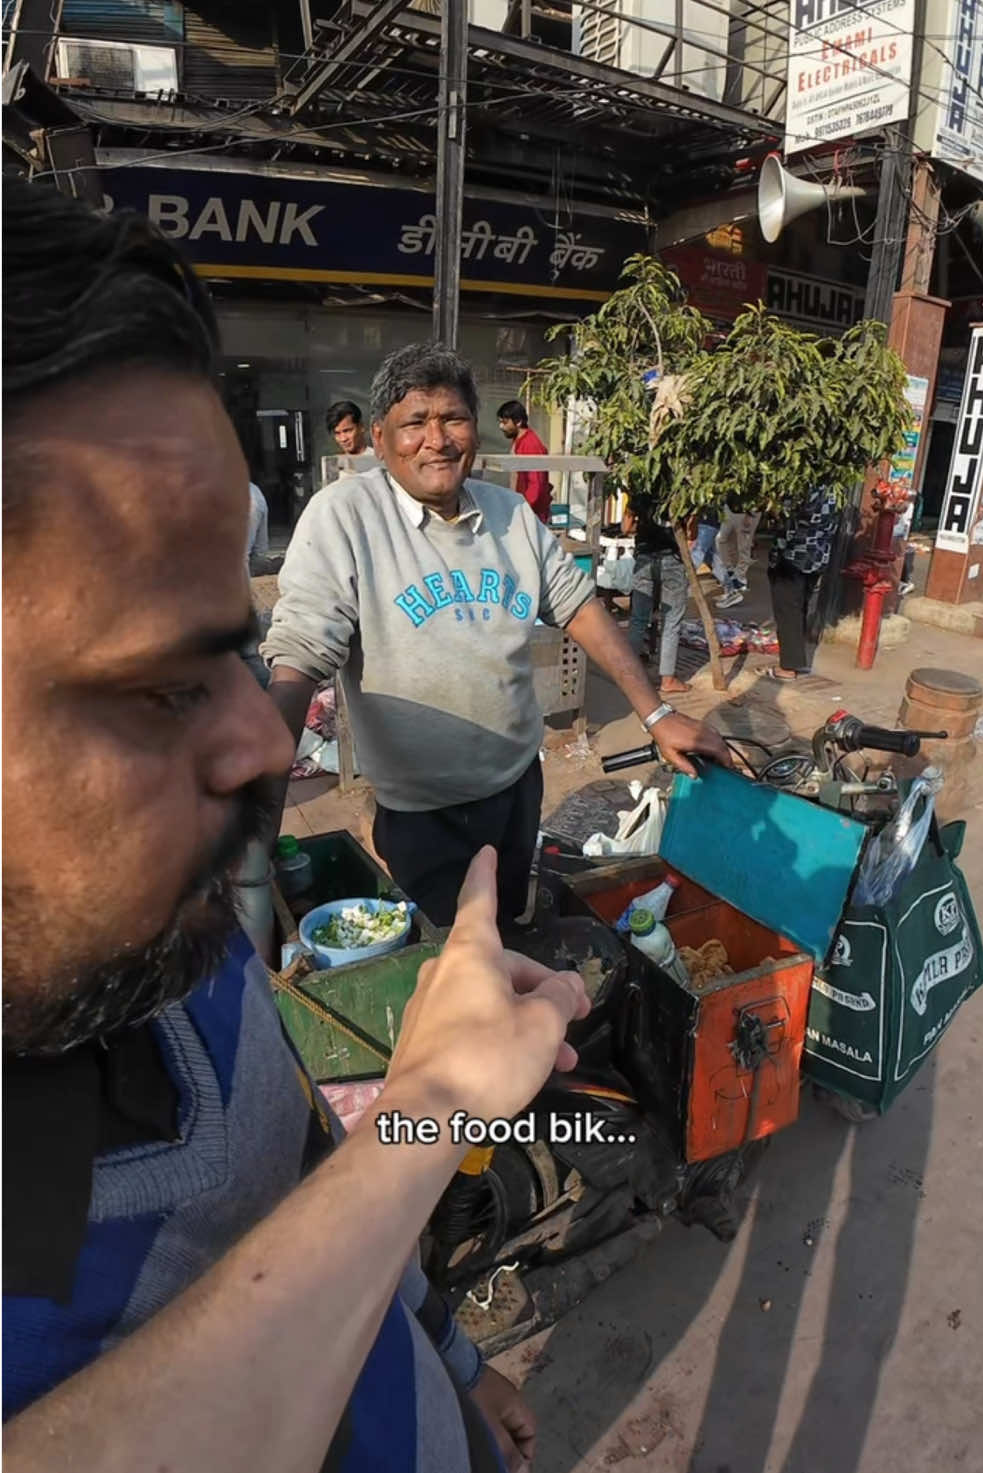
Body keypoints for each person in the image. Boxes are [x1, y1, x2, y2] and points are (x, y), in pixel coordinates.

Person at [3, 176, 591, 1472]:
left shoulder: (186, 955)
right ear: (378, 435)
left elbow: (303, 1172)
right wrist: (428, 1112)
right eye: (160, 689)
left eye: (230, 664)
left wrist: (447, 1359)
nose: (271, 746)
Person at [265, 344, 729, 928]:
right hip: (420, 813)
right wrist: (260, 809)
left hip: (515, 790)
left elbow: (580, 606)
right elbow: (300, 656)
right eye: (415, 423)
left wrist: (658, 716)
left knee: (509, 931)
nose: (436, 439)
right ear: (379, 438)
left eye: (452, 419)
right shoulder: (344, 516)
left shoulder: (509, 514)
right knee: (443, 967)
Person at [766, 485, 841, 681]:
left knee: (788, 611)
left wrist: (775, 554)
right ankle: (797, 659)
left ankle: (788, 667)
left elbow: (787, 529)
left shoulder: (803, 491)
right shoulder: (833, 492)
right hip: (816, 558)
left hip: (794, 557)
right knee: (799, 608)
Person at [623, 495, 690, 696]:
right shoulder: (682, 492)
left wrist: (642, 527)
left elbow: (625, 528)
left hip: (644, 559)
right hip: (671, 560)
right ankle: (668, 679)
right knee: (671, 622)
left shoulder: (640, 492)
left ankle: (631, 678)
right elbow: (690, 532)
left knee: (638, 620)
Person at [496, 398, 551, 524]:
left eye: (505, 423)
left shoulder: (530, 444)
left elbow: (536, 484)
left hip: (531, 513)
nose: (501, 427)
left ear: (519, 422)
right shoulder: (519, 440)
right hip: (522, 508)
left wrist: (523, 510)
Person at [714, 493, 761, 609]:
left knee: (743, 546)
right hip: (731, 506)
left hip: (749, 510)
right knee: (722, 540)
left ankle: (739, 579)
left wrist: (751, 513)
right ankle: (731, 573)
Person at [326, 399, 377, 479]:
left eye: (347, 431)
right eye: (337, 433)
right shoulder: (334, 466)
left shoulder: (377, 460)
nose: (343, 439)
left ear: (361, 427)